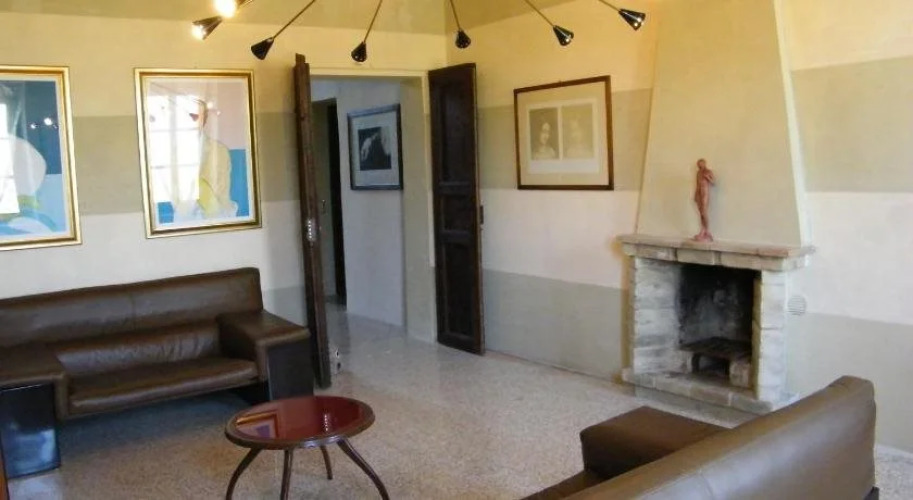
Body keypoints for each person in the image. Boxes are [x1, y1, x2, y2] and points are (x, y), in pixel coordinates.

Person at [692, 158, 715, 242]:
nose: (699, 165)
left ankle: (707, 231)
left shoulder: (708, 172)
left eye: (701, 164)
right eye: (698, 164)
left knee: (704, 212)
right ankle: (702, 230)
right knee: (700, 212)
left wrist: (707, 177)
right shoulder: (698, 173)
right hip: (699, 193)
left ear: (704, 163)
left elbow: (713, 182)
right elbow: (697, 184)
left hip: (705, 192)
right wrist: (695, 194)